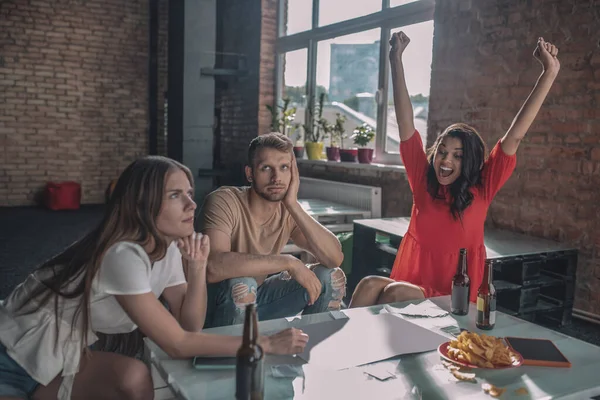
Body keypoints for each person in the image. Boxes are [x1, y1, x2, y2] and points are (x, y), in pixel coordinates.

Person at [0, 156, 308, 400]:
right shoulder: (123, 255)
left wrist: (197, 267)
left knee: (134, 379)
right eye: (176, 195)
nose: (192, 204)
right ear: (144, 205)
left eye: (189, 193)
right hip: (9, 358)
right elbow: (177, 343)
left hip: (56, 360)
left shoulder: (168, 249)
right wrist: (262, 343)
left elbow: (189, 325)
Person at [349, 31, 560, 308]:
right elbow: (406, 124)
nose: (446, 160)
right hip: (414, 282)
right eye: (442, 152)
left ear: (469, 162)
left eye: (457, 156)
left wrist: (549, 72)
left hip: (453, 294)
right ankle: (349, 347)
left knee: (394, 294)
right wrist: (395, 60)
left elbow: (515, 135)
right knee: (367, 284)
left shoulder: (482, 186)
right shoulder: (423, 181)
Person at [199, 133, 346, 328]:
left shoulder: (287, 210)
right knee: (242, 284)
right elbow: (212, 266)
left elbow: (334, 258)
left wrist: (293, 205)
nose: (276, 178)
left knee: (330, 276)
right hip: (210, 310)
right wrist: (289, 262)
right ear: (250, 173)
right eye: (266, 168)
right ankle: (228, 356)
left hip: (258, 300)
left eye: (284, 167)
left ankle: (310, 352)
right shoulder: (224, 201)